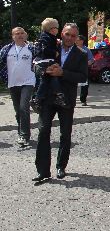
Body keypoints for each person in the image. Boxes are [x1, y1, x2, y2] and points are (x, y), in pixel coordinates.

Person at [33, 23, 88, 183]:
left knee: (65, 134)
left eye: (73, 36)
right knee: (43, 131)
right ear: (61, 34)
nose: (69, 38)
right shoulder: (50, 47)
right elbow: (37, 64)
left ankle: (61, 166)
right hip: (48, 97)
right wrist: (45, 70)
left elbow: (83, 77)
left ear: (77, 37)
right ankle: (42, 170)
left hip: (66, 98)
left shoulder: (81, 54)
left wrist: (63, 73)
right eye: (67, 34)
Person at [0, 27, 36, 147]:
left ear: (25, 35)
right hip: (13, 83)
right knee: (18, 110)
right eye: (17, 34)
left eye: (22, 33)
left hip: (28, 82)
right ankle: (21, 132)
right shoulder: (6, 49)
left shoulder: (32, 48)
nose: (19, 35)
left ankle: (24, 135)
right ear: (13, 36)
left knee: (23, 107)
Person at [31, 18, 66, 111]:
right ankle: (37, 98)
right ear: (52, 29)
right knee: (45, 79)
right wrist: (54, 52)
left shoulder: (50, 37)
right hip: (44, 61)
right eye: (57, 28)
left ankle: (58, 95)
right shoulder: (45, 37)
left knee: (51, 78)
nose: (58, 30)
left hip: (47, 61)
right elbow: (44, 49)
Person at [76, 35, 94, 106]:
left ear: (82, 41)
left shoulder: (86, 50)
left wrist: (89, 62)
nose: (76, 41)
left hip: (83, 70)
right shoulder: (72, 48)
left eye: (77, 40)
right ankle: (71, 100)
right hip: (73, 70)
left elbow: (91, 59)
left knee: (85, 86)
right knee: (72, 86)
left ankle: (83, 100)